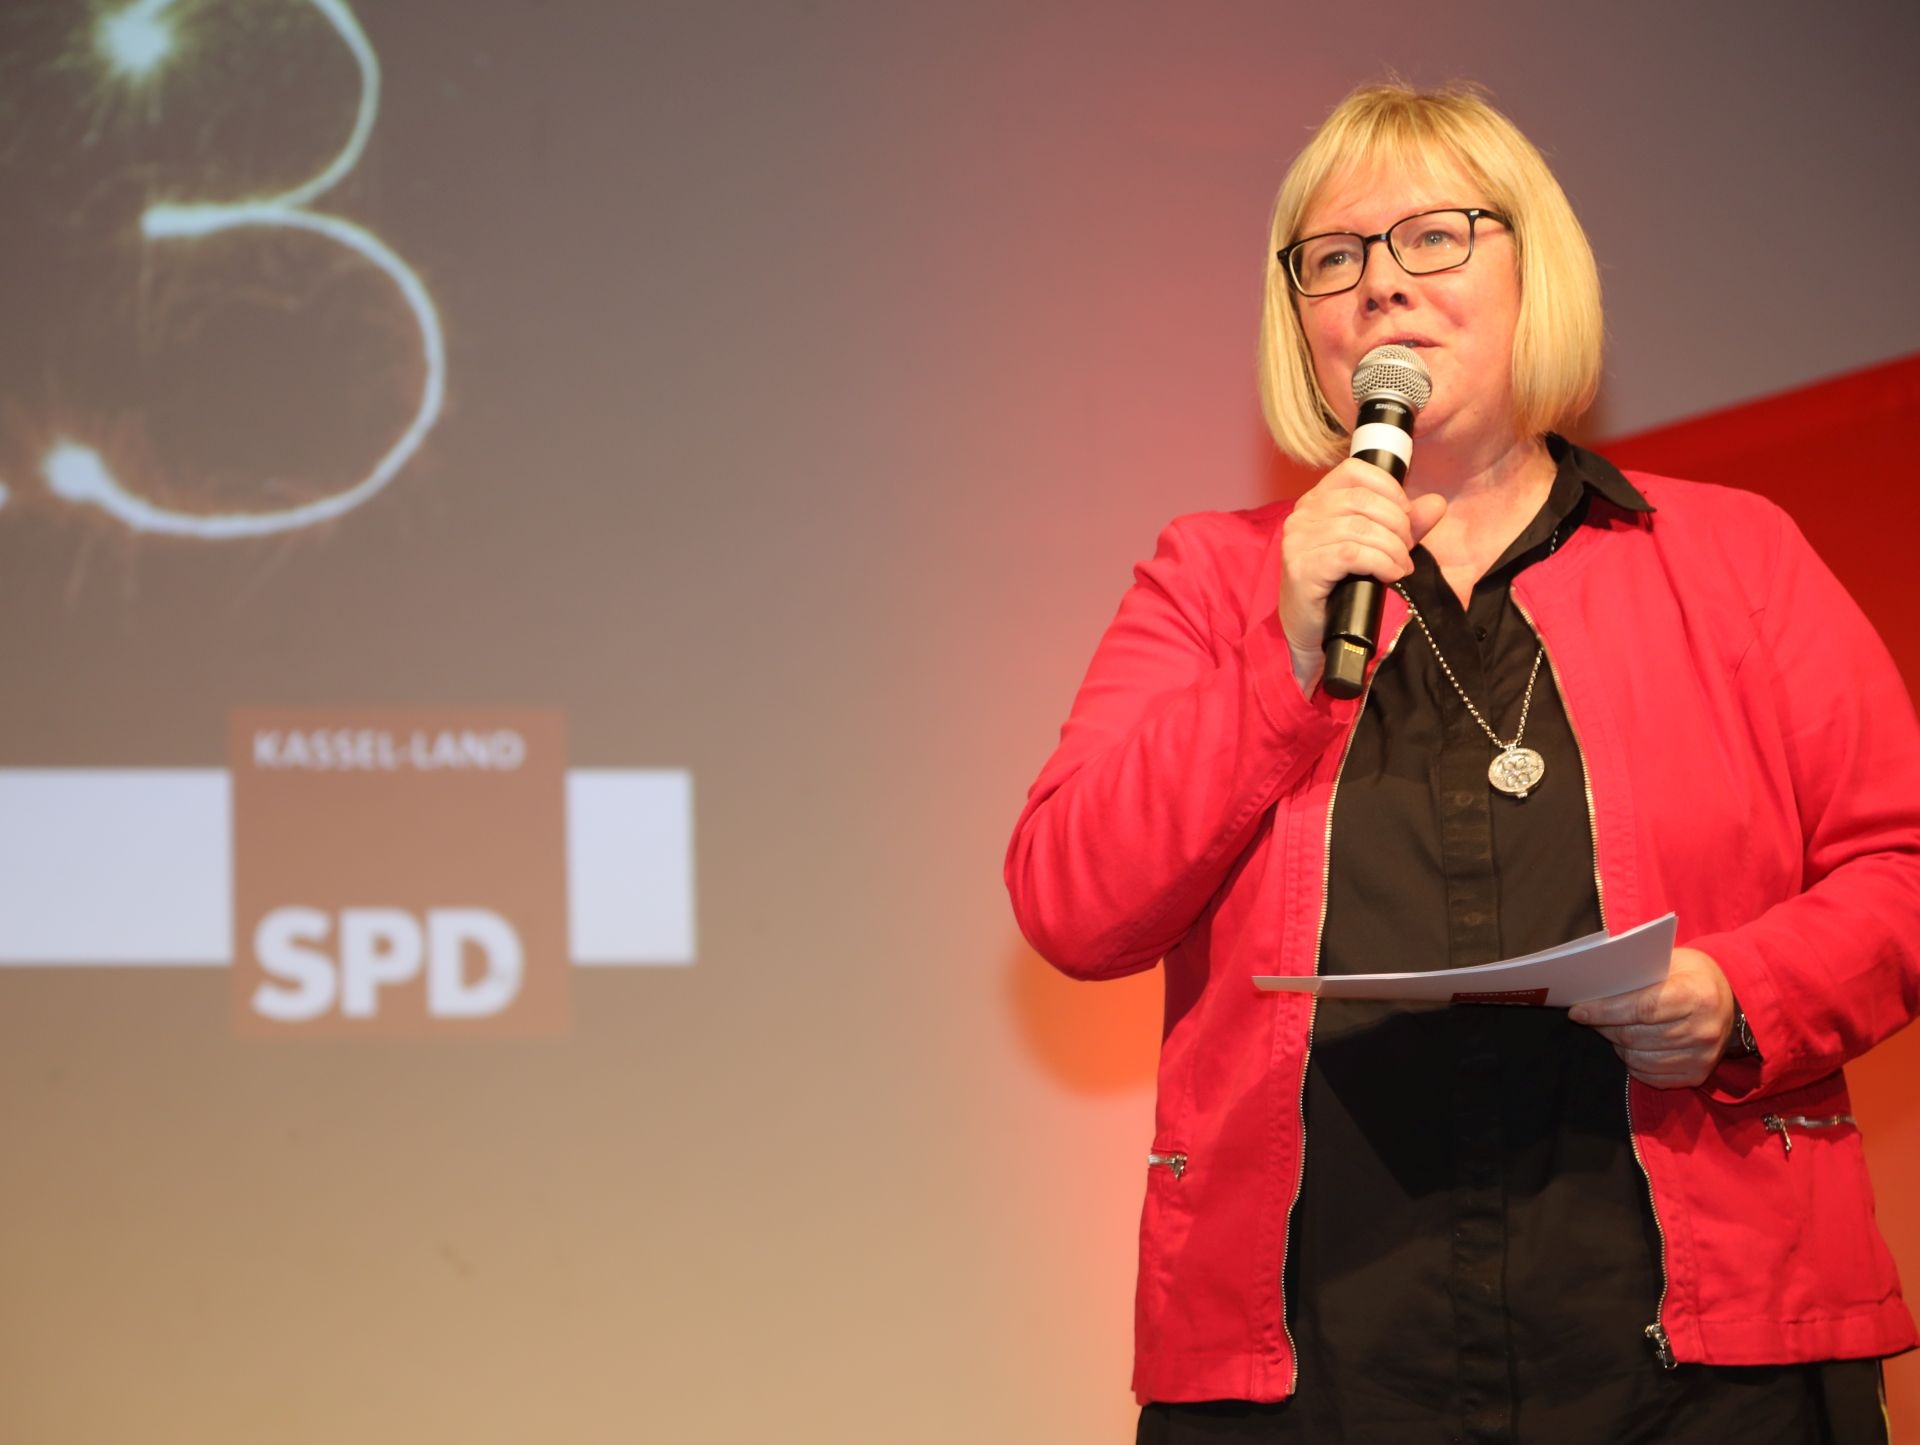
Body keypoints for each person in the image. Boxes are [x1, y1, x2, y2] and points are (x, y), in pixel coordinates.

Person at [1004, 82, 1920, 1445]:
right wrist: (1278, 655)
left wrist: (1742, 997)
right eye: (1334, 257)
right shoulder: (1215, 580)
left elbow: (1901, 865)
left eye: (1433, 236)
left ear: (1532, 271)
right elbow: (1072, 903)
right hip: (1320, 1365)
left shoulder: (1733, 558)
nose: (1381, 285)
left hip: (1697, 1365)